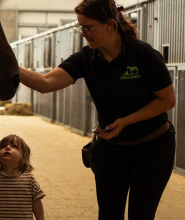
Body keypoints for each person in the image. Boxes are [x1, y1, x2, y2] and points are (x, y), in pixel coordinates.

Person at [18, 0, 176, 219]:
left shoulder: (142, 54)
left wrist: (126, 121)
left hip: (153, 148)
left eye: (88, 27)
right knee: (109, 214)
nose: (84, 33)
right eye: (80, 27)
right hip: (111, 149)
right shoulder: (86, 58)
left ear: (110, 24)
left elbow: (167, 100)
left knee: (141, 214)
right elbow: (46, 83)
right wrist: (10, 66)